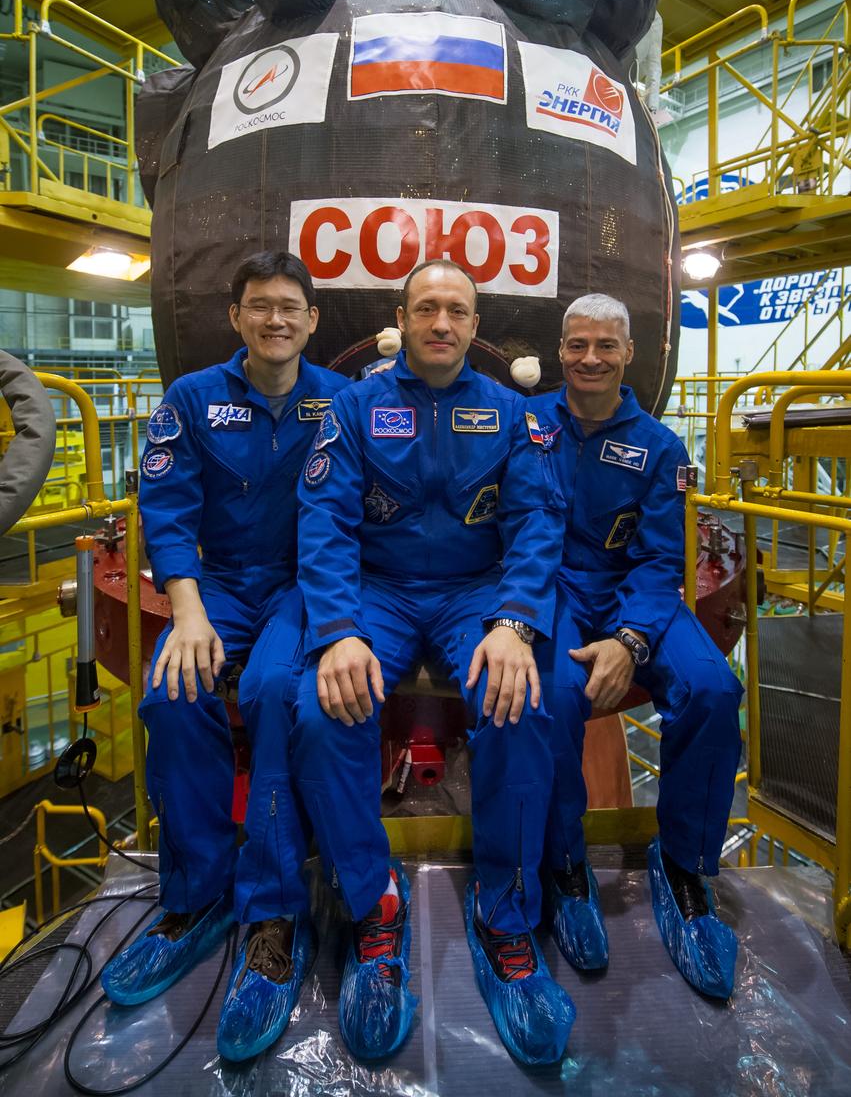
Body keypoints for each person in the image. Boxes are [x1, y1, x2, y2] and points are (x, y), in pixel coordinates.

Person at [289, 259, 575, 1066]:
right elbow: (323, 520)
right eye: (426, 309)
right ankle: (371, 905)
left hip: (473, 595)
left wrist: (517, 621)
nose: (441, 323)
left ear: (473, 324)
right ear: (402, 318)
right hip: (374, 594)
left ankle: (504, 912)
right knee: (319, 710)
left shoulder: (511, 416)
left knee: (520, 702)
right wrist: (339, 628)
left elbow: (537, 522)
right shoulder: (351, 410)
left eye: (456, 310)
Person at [100, 252, 348, 1062]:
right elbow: (166, 509)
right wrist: (188, 608)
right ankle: (197, 895)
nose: (275, 319)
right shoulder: (192, 399)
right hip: (220, 586)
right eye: (259, 306)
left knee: (277, 691)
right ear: (236, 317)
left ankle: (273, 915)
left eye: (290, 307)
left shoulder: (340, 402)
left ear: (313, 321)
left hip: (306, 586)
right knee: (172, 693)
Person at [534, 293, 743, 999]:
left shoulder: (660, 448)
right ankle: (563, 865)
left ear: (628, 354)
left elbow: (661, 559)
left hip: (636, 595)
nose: (589, 358)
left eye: (605, 346)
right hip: (554, 592)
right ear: (560, 351)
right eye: (576, 345)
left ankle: (682, 863)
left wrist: (628, 638)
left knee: (715, 691)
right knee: (555, 694)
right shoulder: (525, 426)